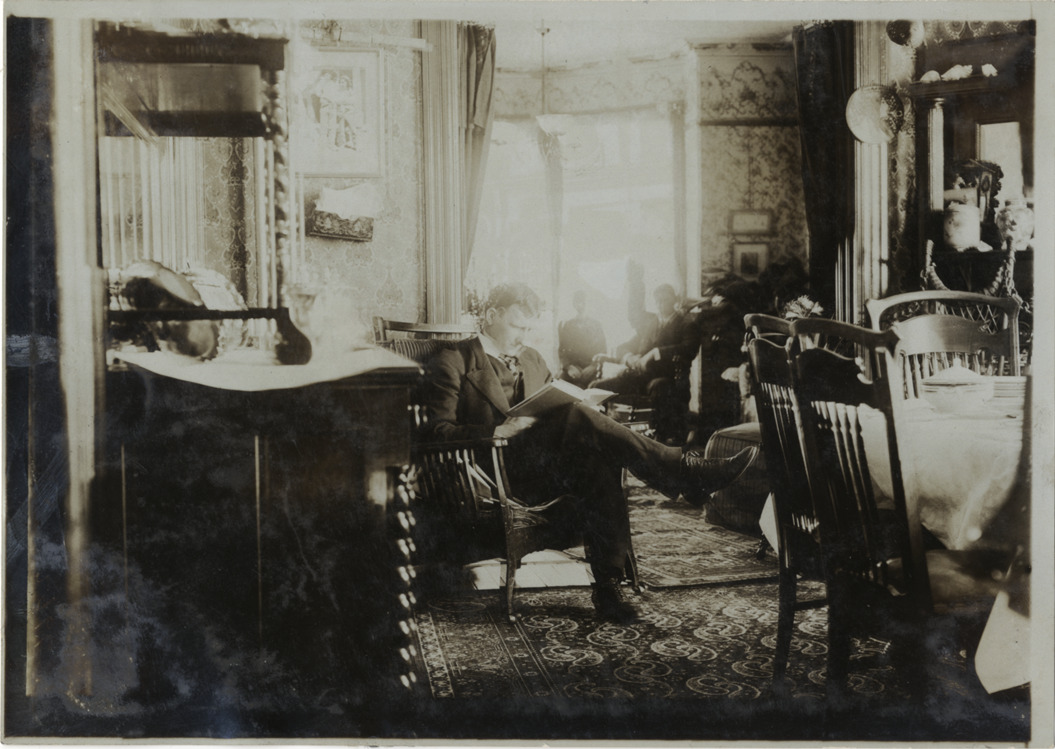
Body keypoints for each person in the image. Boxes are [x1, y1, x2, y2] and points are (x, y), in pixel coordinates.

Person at [422, 283, 756, 623]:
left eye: (528, 329)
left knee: (598, 457)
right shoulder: (454, 360)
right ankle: (682, 470)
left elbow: (553, 403)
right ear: (491, 316)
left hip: (543, 469)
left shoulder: (532, 358)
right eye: (517, 326)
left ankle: (608, 588)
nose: (523, 336)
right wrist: (496, 431)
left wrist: (583, 406)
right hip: (493, 474)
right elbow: (435, 432)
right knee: (579, 420)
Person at [589, 284, 698, 444]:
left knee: (658, 386)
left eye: (665, 300)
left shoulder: (686, 324)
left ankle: (660, 438)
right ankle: (599, 434)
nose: (661, 304)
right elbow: (624, 347)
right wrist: (629, 357)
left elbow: (689, 348)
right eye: (658, 301)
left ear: (674, 300)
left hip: (669, 377)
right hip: (639, 377)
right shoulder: (651, 324)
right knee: (597, 387)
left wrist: (655, 352)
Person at [557, 290, 607, 388]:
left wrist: (594, 366)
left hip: (591, 370)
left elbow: (603, 351)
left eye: (583, 302)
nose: (581, 305)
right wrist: (569, 367)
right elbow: (562, 351)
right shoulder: (567, 325)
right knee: (560, 386)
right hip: (573, 370)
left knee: (596, 387)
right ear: (574, 304)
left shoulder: (596, 325)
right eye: (578, 302)